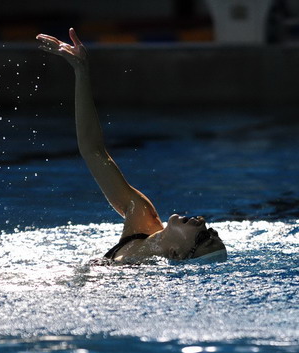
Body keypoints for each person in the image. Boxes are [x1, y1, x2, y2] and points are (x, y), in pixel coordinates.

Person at [36, 28, 227, 263]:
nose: (203, 222)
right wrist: (81, 70)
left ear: (175, 253)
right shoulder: (142, 215)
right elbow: (93, 151)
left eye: (203, 237)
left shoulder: (144, 278)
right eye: (211, 232)